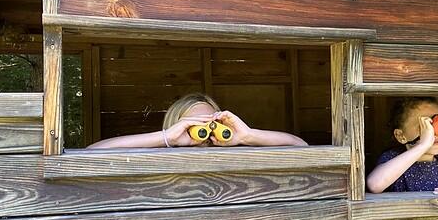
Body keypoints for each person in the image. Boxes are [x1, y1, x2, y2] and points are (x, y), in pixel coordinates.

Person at [87, 92, 307, 149]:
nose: (206, 131)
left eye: (211, 122)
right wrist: (167, 139)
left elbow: (300, 146)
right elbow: (93, 150)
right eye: (195, 123)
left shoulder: (234, 149)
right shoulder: (163, 147)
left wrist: (247, 135)